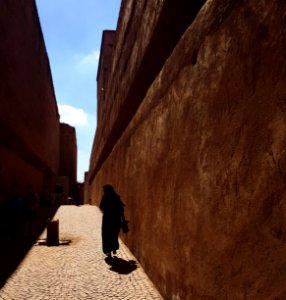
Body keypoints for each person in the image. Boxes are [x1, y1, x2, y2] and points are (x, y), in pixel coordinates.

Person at [99, 184, 125, 257]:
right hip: (116, 219)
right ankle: (114, 248)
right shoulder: (116, 197)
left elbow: (101, 206)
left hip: (107, 219)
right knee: (114, 235)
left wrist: (107, 210)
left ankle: (109, 251)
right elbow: (121, 209)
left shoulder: (105, 197)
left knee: (107, 235)